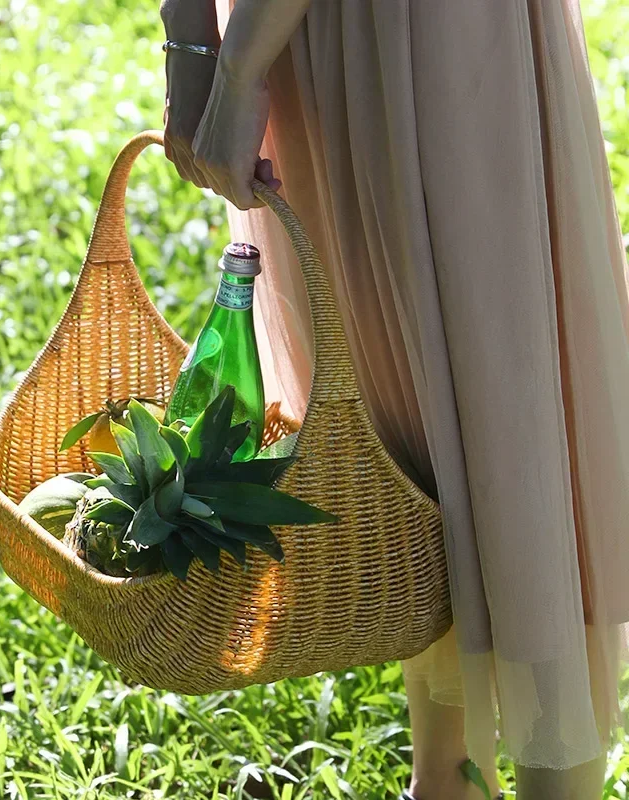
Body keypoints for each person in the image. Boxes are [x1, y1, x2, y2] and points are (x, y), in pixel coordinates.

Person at [160, 1, 629, 799]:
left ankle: (557, 786)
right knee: (395, 424)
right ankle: (444, 782)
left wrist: (235, 65)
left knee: (505, 413)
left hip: (433, 35)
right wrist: (194, 41)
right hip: (295, 38)